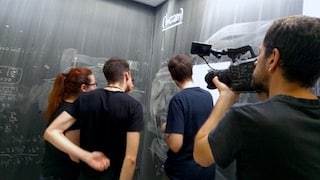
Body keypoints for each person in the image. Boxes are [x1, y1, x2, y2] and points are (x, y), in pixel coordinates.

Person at [193, 15, 320, 180]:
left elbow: (201, 154)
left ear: (273, 59)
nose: (254, 62)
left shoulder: (245, 119)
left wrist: (225, 98)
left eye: (260, 53)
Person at [44, 57, 144, 180]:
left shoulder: (84, 99)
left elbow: (51, 132)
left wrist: (87, 156)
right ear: (127, 75)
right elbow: (131, 159)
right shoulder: (133, 106)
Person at [162, 54, 216, 180]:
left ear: (172, 77)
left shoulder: (178, 100)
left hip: (182, 172)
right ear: (191, 71)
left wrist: (167, 131)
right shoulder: (207, 96)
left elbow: (176, 145)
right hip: (205, 170)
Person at [41, 67, 98, 180]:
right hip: (62, 175)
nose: (96, 88)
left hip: (51, 172)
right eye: (95, 84)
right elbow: (74, 156)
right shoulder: (73, 114)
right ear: (84, 88)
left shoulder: (62, 106)